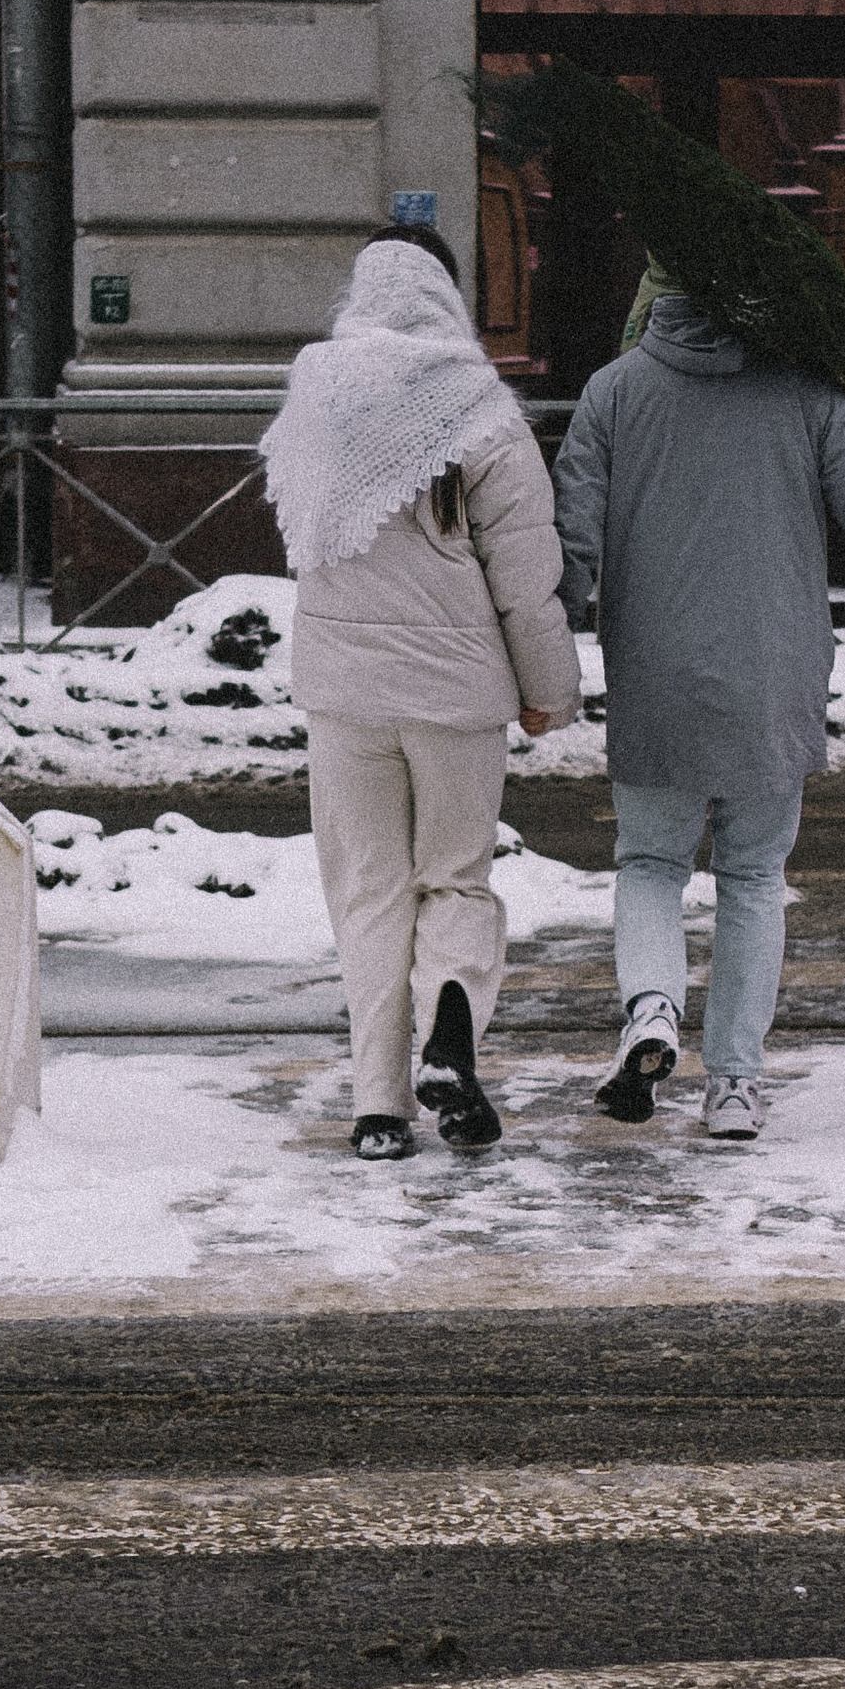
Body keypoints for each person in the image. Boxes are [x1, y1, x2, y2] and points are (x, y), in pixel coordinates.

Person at [554, 286, 845, 1145]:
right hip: (774, 676)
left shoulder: (615, 391)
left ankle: (650, 1008)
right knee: (754, 878)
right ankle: (735, 1088)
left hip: (656, 676)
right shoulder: (809, 390)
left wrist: (541, 651)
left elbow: (568, 542)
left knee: (649, 861)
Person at [262, 223, 580, 1159]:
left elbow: (301, 530)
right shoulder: (482, 407)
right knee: (455, 877)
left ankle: (377, 1109)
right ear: (446, 294)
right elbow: (525, 577)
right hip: (456, 691)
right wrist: (548, 692)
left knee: (366, 891)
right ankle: (451, 1030)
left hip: (343, 690)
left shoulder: (315, 393)